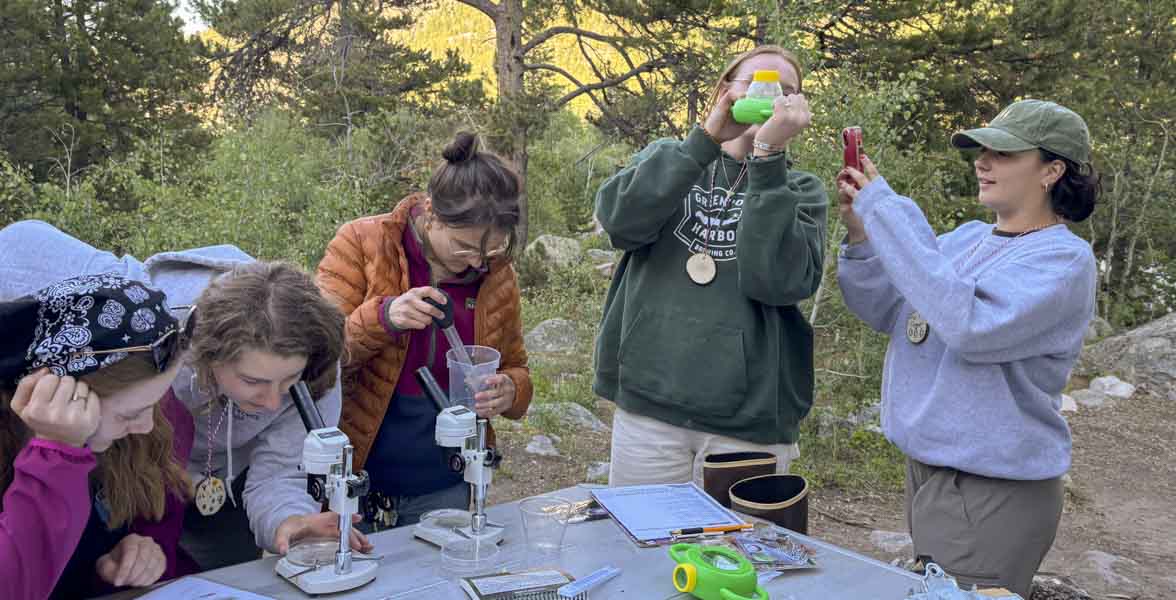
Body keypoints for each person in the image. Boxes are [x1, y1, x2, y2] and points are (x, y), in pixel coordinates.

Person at [836, 99, 1099, 597]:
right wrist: (862, 231)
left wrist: (886, 208)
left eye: (1003, 153)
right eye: (981, 150)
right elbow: (886, 307)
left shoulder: (1063, 260)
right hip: (934, 473)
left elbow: (969, 326)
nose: (983, 161)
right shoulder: (967, 239)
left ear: (1051, 170)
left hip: (991, 490)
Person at [0, 222, 371, 571]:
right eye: (253, 381)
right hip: (103, 486)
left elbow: (281, 472)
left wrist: (288, 521)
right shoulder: (143, 326)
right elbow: (20, 244)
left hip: (192, 496)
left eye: (288, 380)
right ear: (204, 354)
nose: (273, 402)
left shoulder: (314, 363)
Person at [592, 45, 827, 487]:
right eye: (757, 84)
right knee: (644, 548)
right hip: (650, 406)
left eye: (785, 91)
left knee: (736, 555)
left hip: (749, 421)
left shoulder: (801, 190)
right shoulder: (674, 157)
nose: (771, 95)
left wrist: (768, 159)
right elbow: (620, 223)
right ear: (725, 91)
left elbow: (775, 281)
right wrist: (703, 141)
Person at [317, 131, 532, 529]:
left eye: (491, 251)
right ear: (431, 212)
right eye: (464, 247)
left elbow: (517, 366)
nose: (476, 263)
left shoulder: (497, 277)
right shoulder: (362, 243)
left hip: (446, 481)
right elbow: (316, 358)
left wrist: (510, 389)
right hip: (355, 476)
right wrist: (384, 318)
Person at [0, 273, 194, 599]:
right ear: (54, 392)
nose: (147, 425)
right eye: (129, 414)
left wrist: (137, 557)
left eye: (154, 405)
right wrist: (57, 452)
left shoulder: (131, 439)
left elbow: (157, 508)